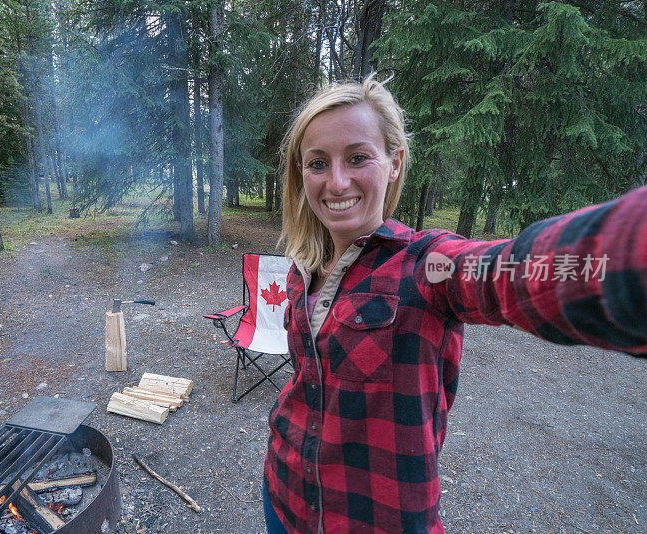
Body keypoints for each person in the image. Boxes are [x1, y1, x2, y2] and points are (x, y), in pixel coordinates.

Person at [263, 74, 647, 534]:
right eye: (318, 163)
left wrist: (627, 258)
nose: (337, 180)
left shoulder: (426, 265)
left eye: (358, 157)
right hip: (283, 497)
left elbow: (510, 272)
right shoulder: (303, 268)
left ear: (395, 163)